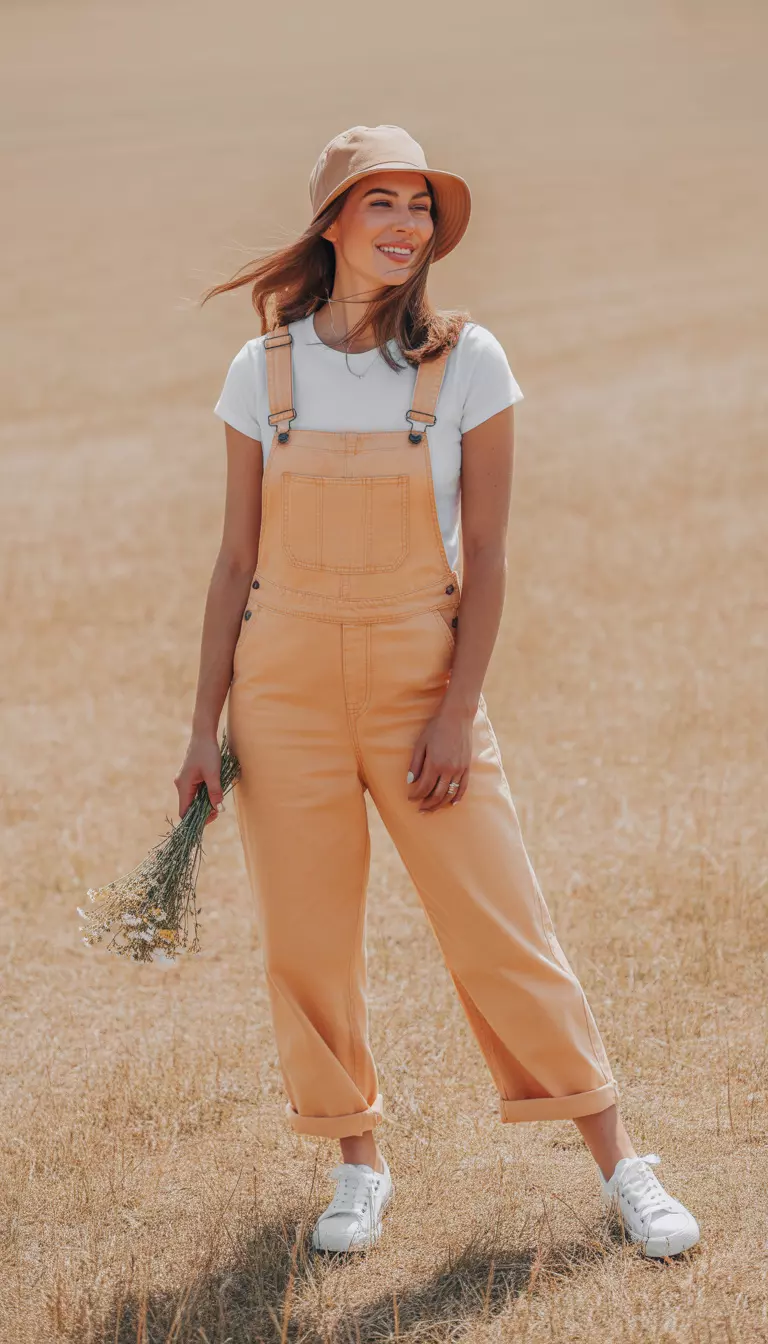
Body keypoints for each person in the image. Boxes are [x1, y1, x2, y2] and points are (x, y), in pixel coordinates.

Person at [179, 124, 700, 1258]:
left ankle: (624, 1165)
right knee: (307, 943)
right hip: (283, 692)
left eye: (421, 206)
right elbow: (233, 562)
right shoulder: (261, 370)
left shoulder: (469, 360)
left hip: (422, 683)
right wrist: (201, 730)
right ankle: (357, 1163)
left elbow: (493, 554)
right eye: (384, 202)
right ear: (332, 222)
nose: (408, 224)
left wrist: (458, 710)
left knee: (501, 924)